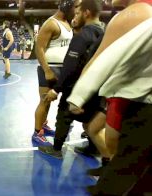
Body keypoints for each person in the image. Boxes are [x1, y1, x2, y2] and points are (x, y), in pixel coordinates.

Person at [67, 0, 152, 194]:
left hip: (133, 100)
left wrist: (78, 94)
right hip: (130, 97)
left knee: (122, 164)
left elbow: (105, 57)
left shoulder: (135, 14)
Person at [38, 0, 109, 162]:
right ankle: (93, 148)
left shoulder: (82, 37)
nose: (75, 16)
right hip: (98, 88)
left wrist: (57, 89)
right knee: (91, 119)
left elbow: (70, 67)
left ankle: (56, 149)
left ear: (86, 13)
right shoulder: (105, 32)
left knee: (64, 114)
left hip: (78, 87)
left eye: (78, 13)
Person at [32, 0, 75, 145]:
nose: (76, 11)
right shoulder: (51, 23)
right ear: (67, 7)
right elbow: (39, 48)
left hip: (63, 69)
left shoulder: (67, 23)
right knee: (45, 101)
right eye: (74, 8)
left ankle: (43, 125)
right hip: (50, 68)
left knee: (52, 101)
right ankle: (37, 133)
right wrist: (47, 70)